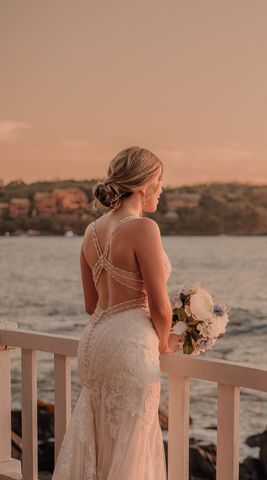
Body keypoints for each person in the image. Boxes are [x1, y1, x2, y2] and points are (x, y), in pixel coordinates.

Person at [52, 146, 180, 479]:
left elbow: (90, 305)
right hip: (129, 346)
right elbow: (160, 307)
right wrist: (165, 343)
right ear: (143, 184)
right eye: (159, 181)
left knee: (97, 438)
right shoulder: (143, 229)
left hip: (95, 342)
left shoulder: (91, 232)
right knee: (131, 445)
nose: (161, 190)